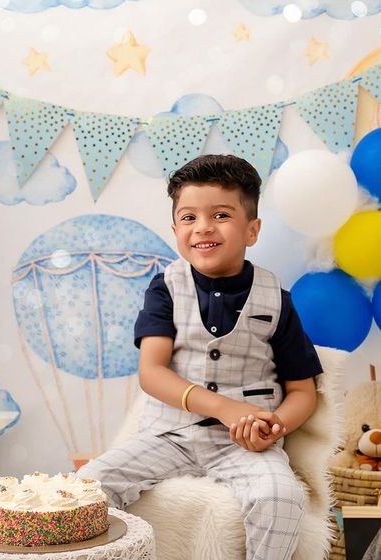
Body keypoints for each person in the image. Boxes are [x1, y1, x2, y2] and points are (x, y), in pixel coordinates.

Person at [78, 154, 322, 560]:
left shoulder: (276, 300)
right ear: (175, 229)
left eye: (221, 215)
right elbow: (152, 373)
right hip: (168, 435)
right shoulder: (165, 289)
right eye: (189, 217)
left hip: (243, 445)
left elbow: (302, 391)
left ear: (252, 229)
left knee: (280, 496)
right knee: (89, 485)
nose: (203, 227)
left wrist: (274, 425)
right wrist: (223, 407)